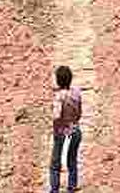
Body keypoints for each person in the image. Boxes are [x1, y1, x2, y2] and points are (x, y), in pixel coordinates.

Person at [49, 65, 83, 193]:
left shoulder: (59, 97)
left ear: (58, 80)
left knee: (55, 164)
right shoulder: (76, 93)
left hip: (62, 132)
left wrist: (56, 129)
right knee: (72, 160)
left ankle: (54, 189)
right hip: (75, 130)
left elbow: (56, 116)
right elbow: (80, 113)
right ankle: (72, 187)